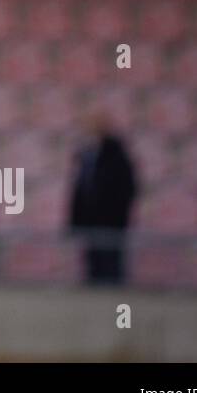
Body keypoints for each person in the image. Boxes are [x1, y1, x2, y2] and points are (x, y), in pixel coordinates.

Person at [69, 112, 138, 284]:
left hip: (111, 221)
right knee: (93, 265)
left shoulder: (117, 155)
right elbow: (79, 190)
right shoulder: (86, 156)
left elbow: (127, 189)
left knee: (111, 265)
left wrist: (115, 211)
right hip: (89, 221)